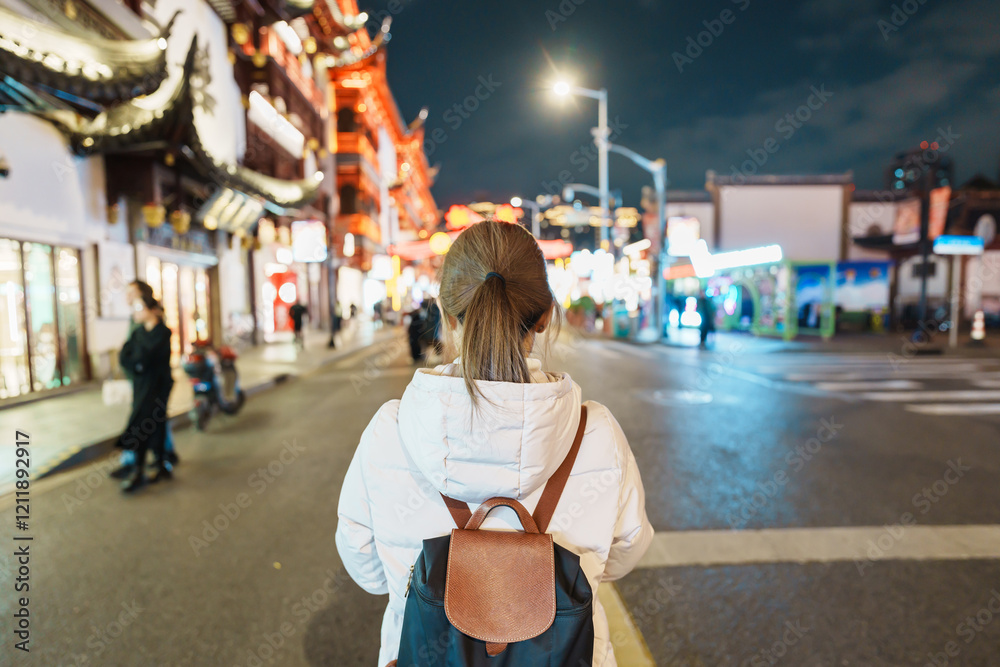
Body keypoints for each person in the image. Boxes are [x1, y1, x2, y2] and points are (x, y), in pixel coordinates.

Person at [336, 220, 653, 666]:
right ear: (545, 316)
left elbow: (366, 568)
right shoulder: (595, 431)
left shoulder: (390, 429)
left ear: (446, 314)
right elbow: (624, 552)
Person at [111, 280, 177, 480]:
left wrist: (138, 363)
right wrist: (136, 364)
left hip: (156, 386)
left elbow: (146, 357)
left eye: (133, 293)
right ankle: (149, 463)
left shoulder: (160, 332)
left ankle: (149, 465)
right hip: (140, 385)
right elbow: (126, 355)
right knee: (146, 423)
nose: (128, 297)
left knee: (150, 423)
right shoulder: (138, 329)